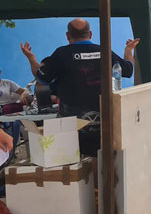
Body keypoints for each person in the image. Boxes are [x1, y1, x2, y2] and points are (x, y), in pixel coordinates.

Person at [19, 18, 139, 156]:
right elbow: (128, 69)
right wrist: (129, 50)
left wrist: (31, 58)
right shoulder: (105, 52)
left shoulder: (61, 54)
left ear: (68, 36)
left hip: (71, 126)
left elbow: (41, 78)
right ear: (91, 34)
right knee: (101, 160)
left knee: (74, 165)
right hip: (105, 122)